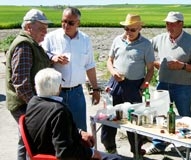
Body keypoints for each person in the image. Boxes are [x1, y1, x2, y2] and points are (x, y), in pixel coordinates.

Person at [25, 68, 121, 160]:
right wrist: (91, 153)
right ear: (59, 88)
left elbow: (51, 128)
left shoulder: (33, 103)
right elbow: (64, 152)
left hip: (43, 150)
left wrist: (79, 132)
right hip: (56, 155)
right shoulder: (59, 111)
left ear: (35, 86)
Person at [146, 11, 191, 155]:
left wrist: (182, 66)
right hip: (163, 85)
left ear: (181, 24)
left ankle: (187, 146)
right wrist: (154, 62)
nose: (169, 27)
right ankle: (159, 144)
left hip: (182, 86)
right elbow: (145, 48)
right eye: (167, 24)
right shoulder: (160, 39)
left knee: (185, 117)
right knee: (160, 115)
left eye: (172, 24)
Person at [100, 14, 155, 159]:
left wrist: (143, 87)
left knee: (134, 121)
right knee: (110, 116)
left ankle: (136, 151)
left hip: (134, 85)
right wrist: (113, 72)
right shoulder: (118, 40)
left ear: (140, 28)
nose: (129, 32)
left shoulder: (146, 44)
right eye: (126, 29)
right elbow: (109, 60)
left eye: (132, 30)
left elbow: (150, 69)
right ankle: (110, 148)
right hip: (116, 83)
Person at [42, 7, 100, 131]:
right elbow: (41, 56)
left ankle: (81, 151)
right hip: (56, 92)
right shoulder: (50, 37)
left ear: (78, 23)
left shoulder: (85, 40)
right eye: (63, 21)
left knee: (80, 129)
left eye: (70, 23)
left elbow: (89, 65)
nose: (66, 25)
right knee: (58, 130)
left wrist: (95, 89)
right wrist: (53, 58)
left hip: (76, 92)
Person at [5, 8, 52, 159]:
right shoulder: (24, 45)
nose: (45, 32)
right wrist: (36, 106)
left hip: (28, 102)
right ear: (28, 27)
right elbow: (21, 83)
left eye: (46, 28)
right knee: (30, 140)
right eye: (41, 28)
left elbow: (36, 64)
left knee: (25, 140)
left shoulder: (31, 43)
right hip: (24, 103)